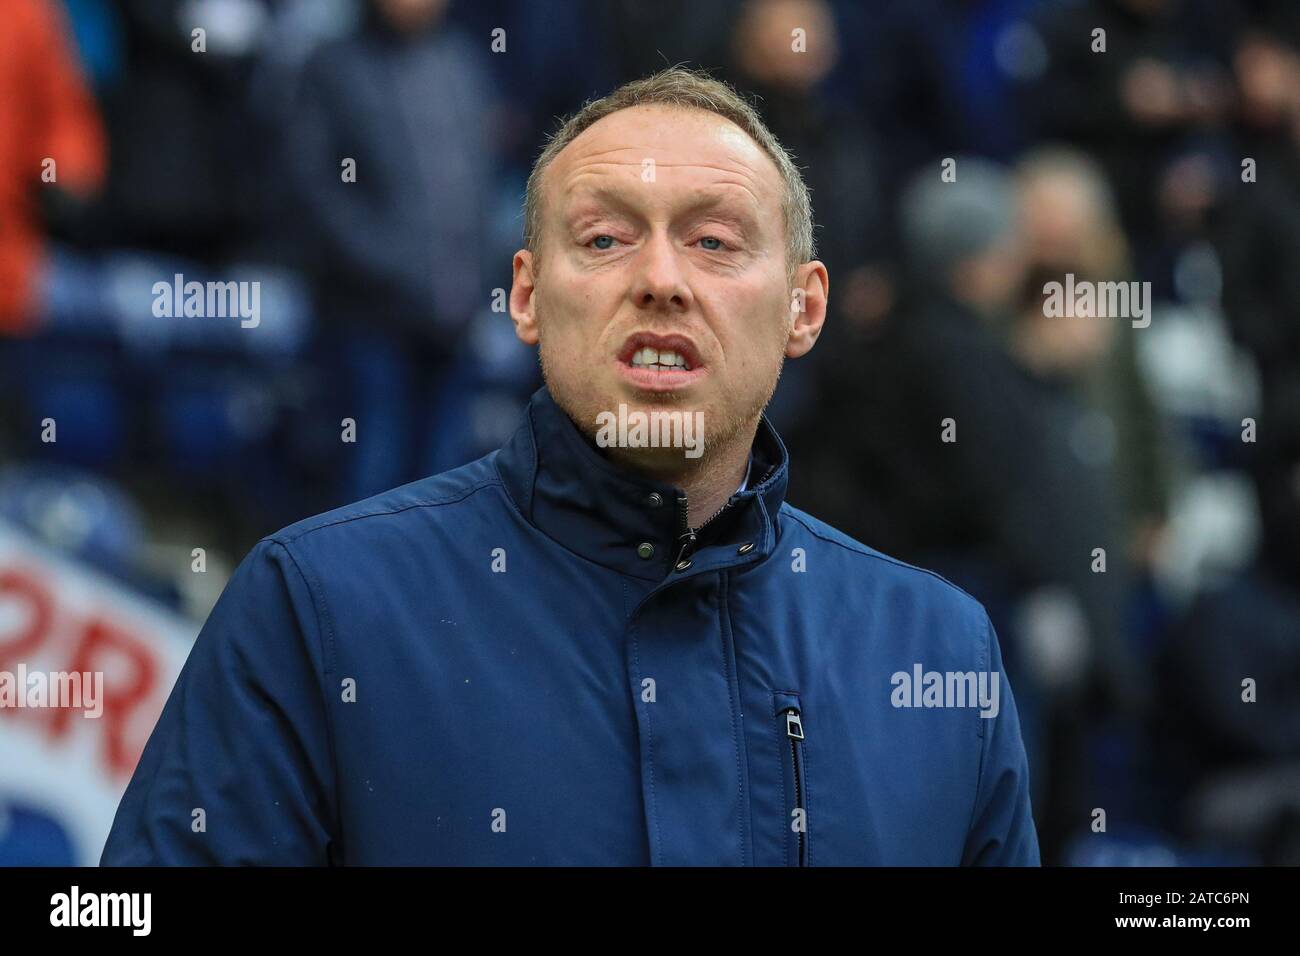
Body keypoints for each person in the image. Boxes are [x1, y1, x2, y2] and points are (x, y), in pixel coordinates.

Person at [101, 67, 1039, 866]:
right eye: (604, 239)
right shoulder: (315, 608)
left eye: (714, 241)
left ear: (804, 308)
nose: (661, 278)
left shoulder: (939, 652)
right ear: (526, 295)